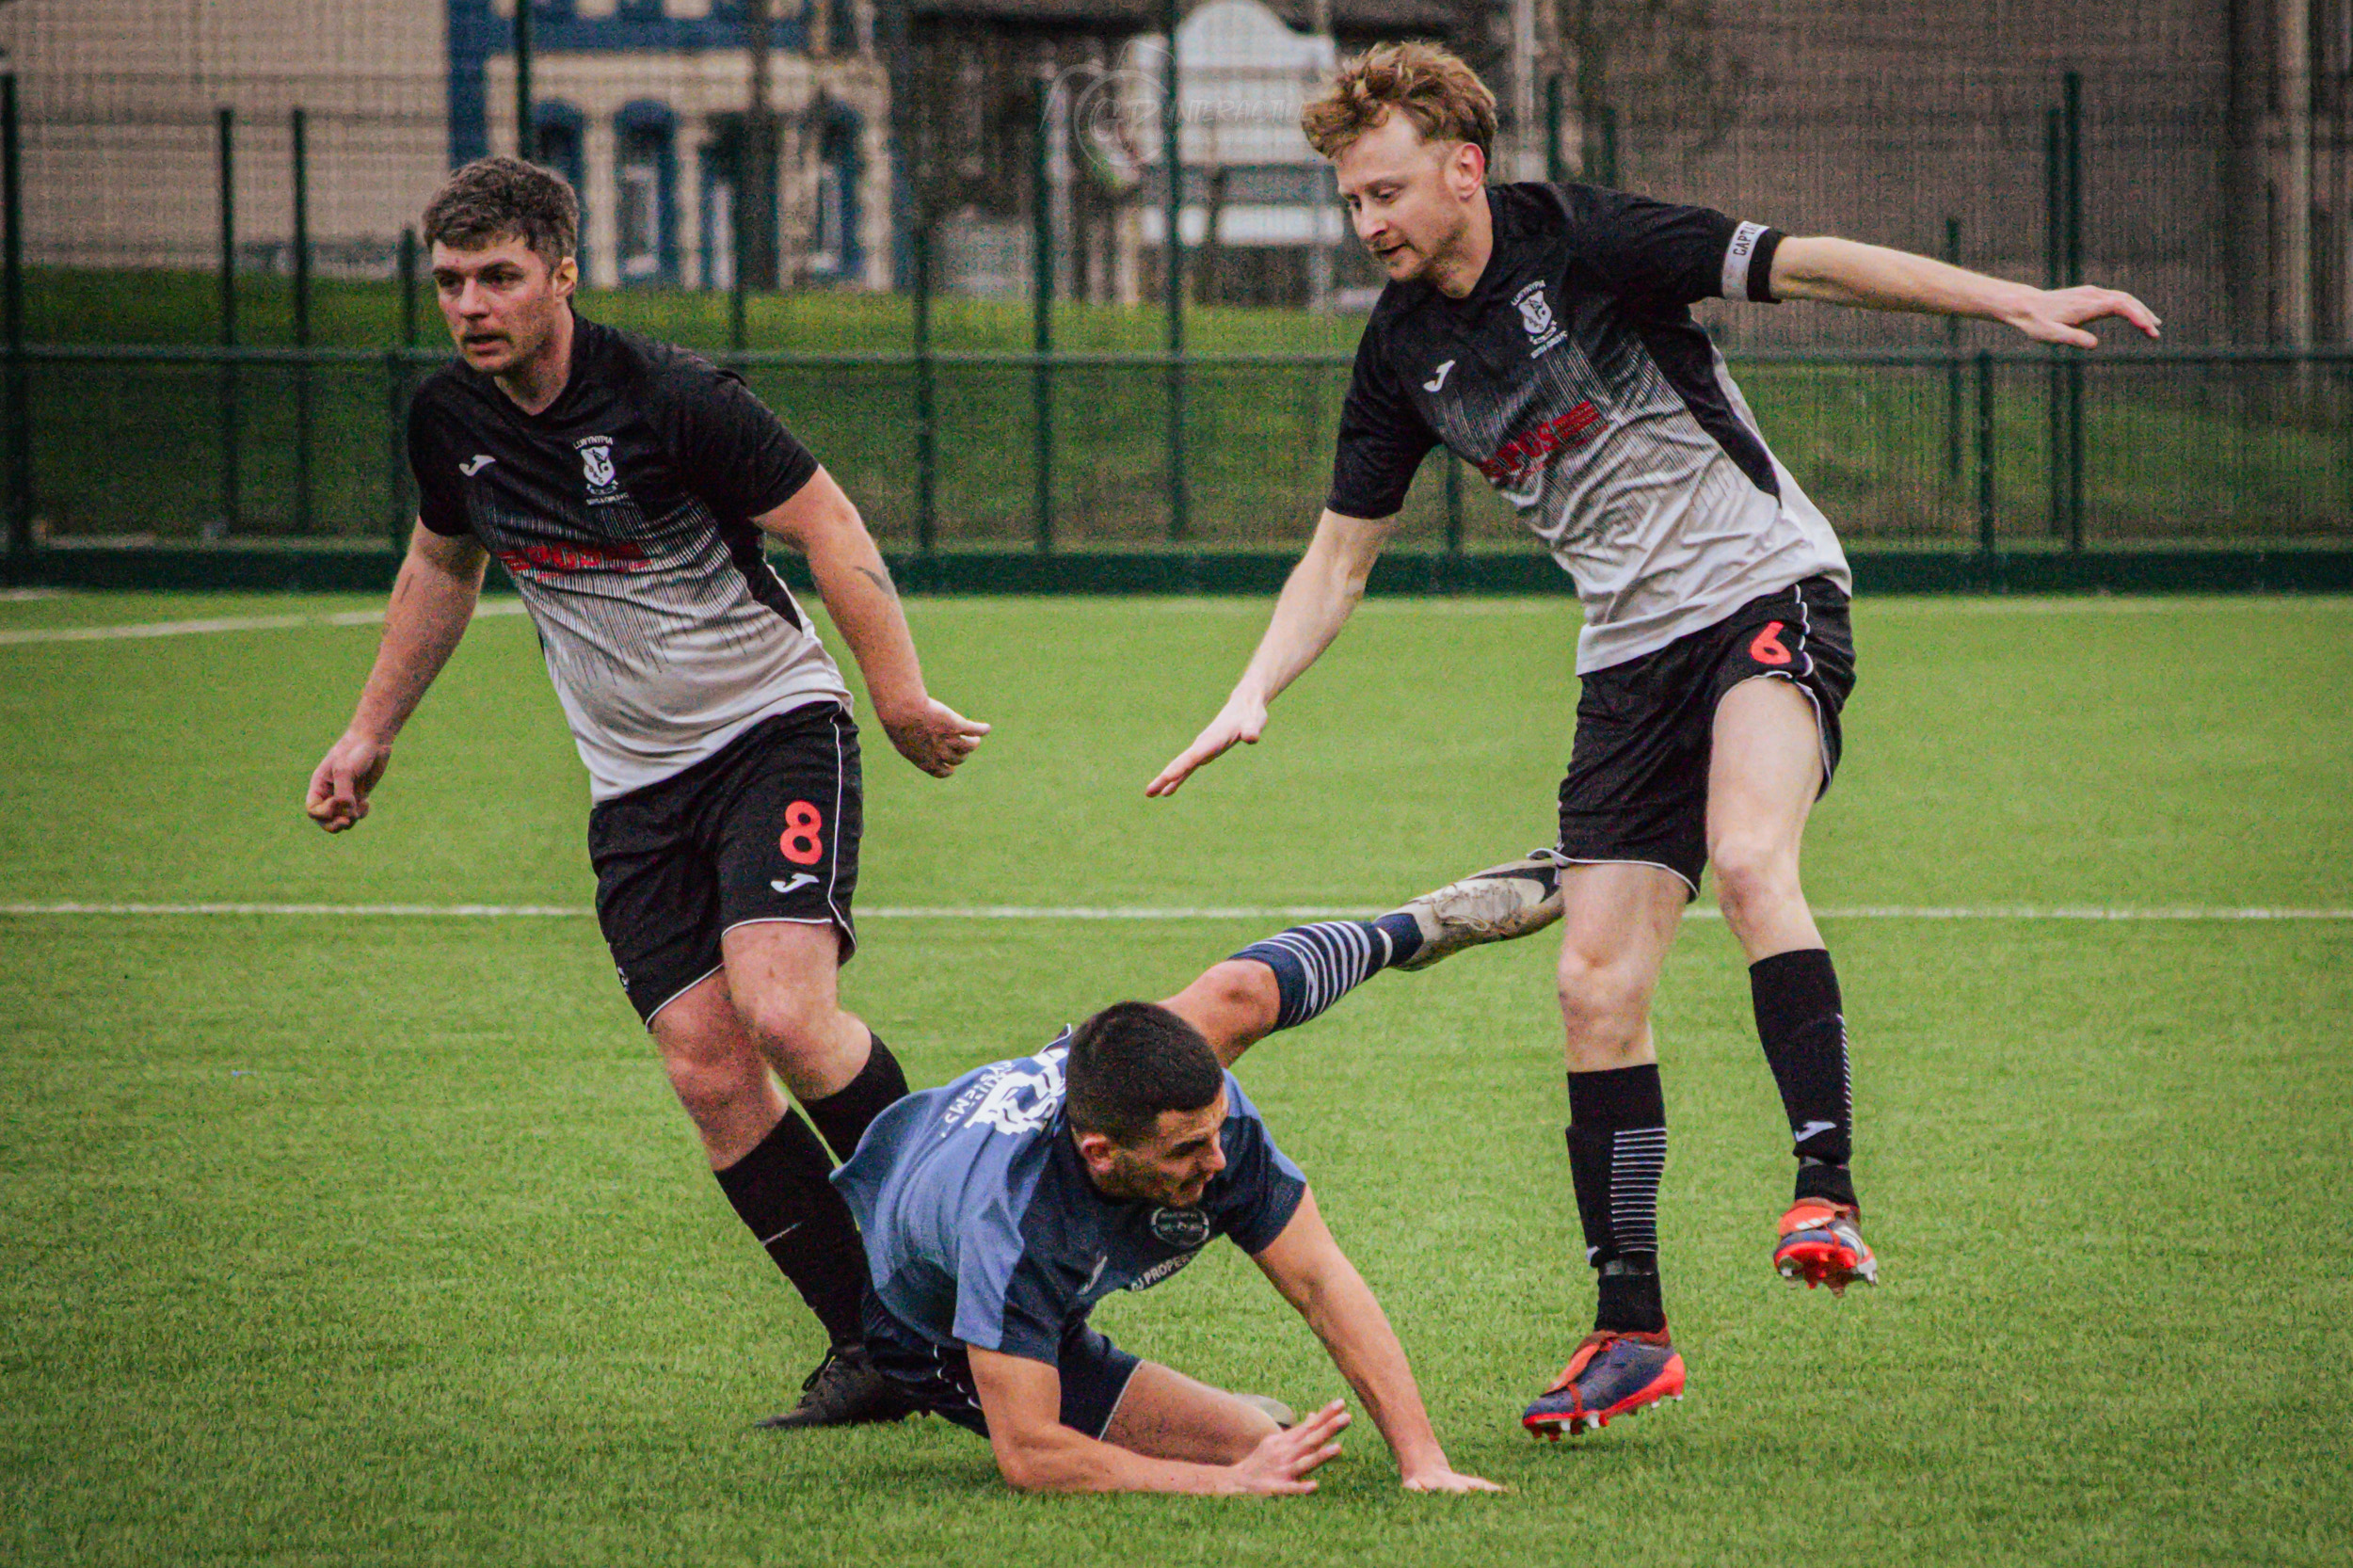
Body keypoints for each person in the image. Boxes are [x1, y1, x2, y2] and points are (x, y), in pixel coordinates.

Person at [1145, 44, 2161, 1438]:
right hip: (1626, 659)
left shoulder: (1587, 241)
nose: (1369, 221)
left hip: (1764, 588)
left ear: (1461, 166)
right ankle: (1631, 1331)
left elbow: (1808, 262)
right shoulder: (1400, 352)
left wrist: (2014, 299)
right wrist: (1252, 689)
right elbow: (1339, 560)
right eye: (1350, 202)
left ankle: (1828, 1188)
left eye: (1385, 191)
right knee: (1592, 984)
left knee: (1751, 855)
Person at [304, 156, 988, 1427]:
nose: (469, 303)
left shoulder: (674, 395)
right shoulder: (449, 421)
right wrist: (371, 730)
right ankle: (884, 1350)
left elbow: (832, 525)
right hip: (634, 787)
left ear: (563, 272)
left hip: (772, 730)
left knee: (784, 1010)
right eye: (450, 280)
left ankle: (990, 1275)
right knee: (708, 1070)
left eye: (498, 275)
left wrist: (897, 697)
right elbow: (441, 565)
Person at [830, 873, 1542, 1494]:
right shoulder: (1010, 1230)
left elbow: (1321, 1281)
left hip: (1009, 1185)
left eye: (1216, 1130)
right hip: (929, 1323)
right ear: (1103, 1154)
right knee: (1245, 1447)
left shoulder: (1212, 1119)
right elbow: (1031, 1455)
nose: (1218, 1161)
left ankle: (1398, 933)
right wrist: (1228, 1483)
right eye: (1188, 1148)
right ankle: (1179, 1414)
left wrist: (1423, 1460)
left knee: (1241, 1435)